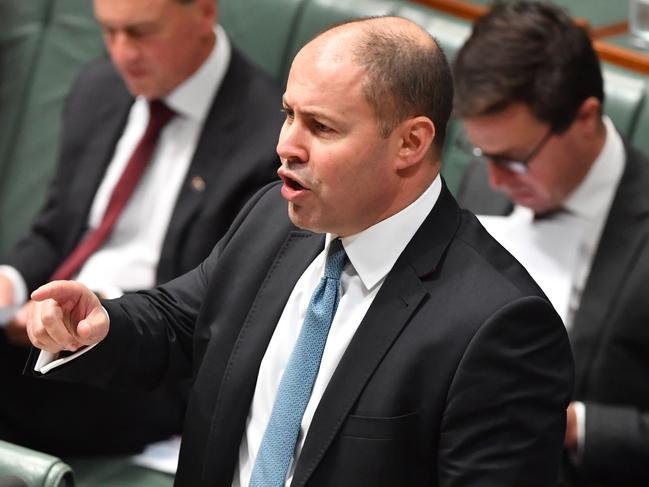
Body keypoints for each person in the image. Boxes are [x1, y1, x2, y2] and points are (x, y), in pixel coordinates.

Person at [25, 16, 573, 486]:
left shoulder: (501, 326)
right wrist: (100, 322)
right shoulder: (273, 218)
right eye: (289, 114)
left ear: (410, 143)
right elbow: (180, 320)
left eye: (321, 127)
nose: (286, 144)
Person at [0, 0, 282, 455]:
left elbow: (211, 303)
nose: (121, 52)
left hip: (147, 360)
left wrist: (99, 315)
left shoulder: (268, 134)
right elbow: (56, 231)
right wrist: (10, 280)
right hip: (44, 332)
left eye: (141, 32)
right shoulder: (99, 88)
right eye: (108, 32)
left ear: (205, 12)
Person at [453, 2, 649, 486]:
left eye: (516, 161)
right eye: (481, 153)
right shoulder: (484, 176)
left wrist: (574, 426)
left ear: (586, 119)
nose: (495, 181)